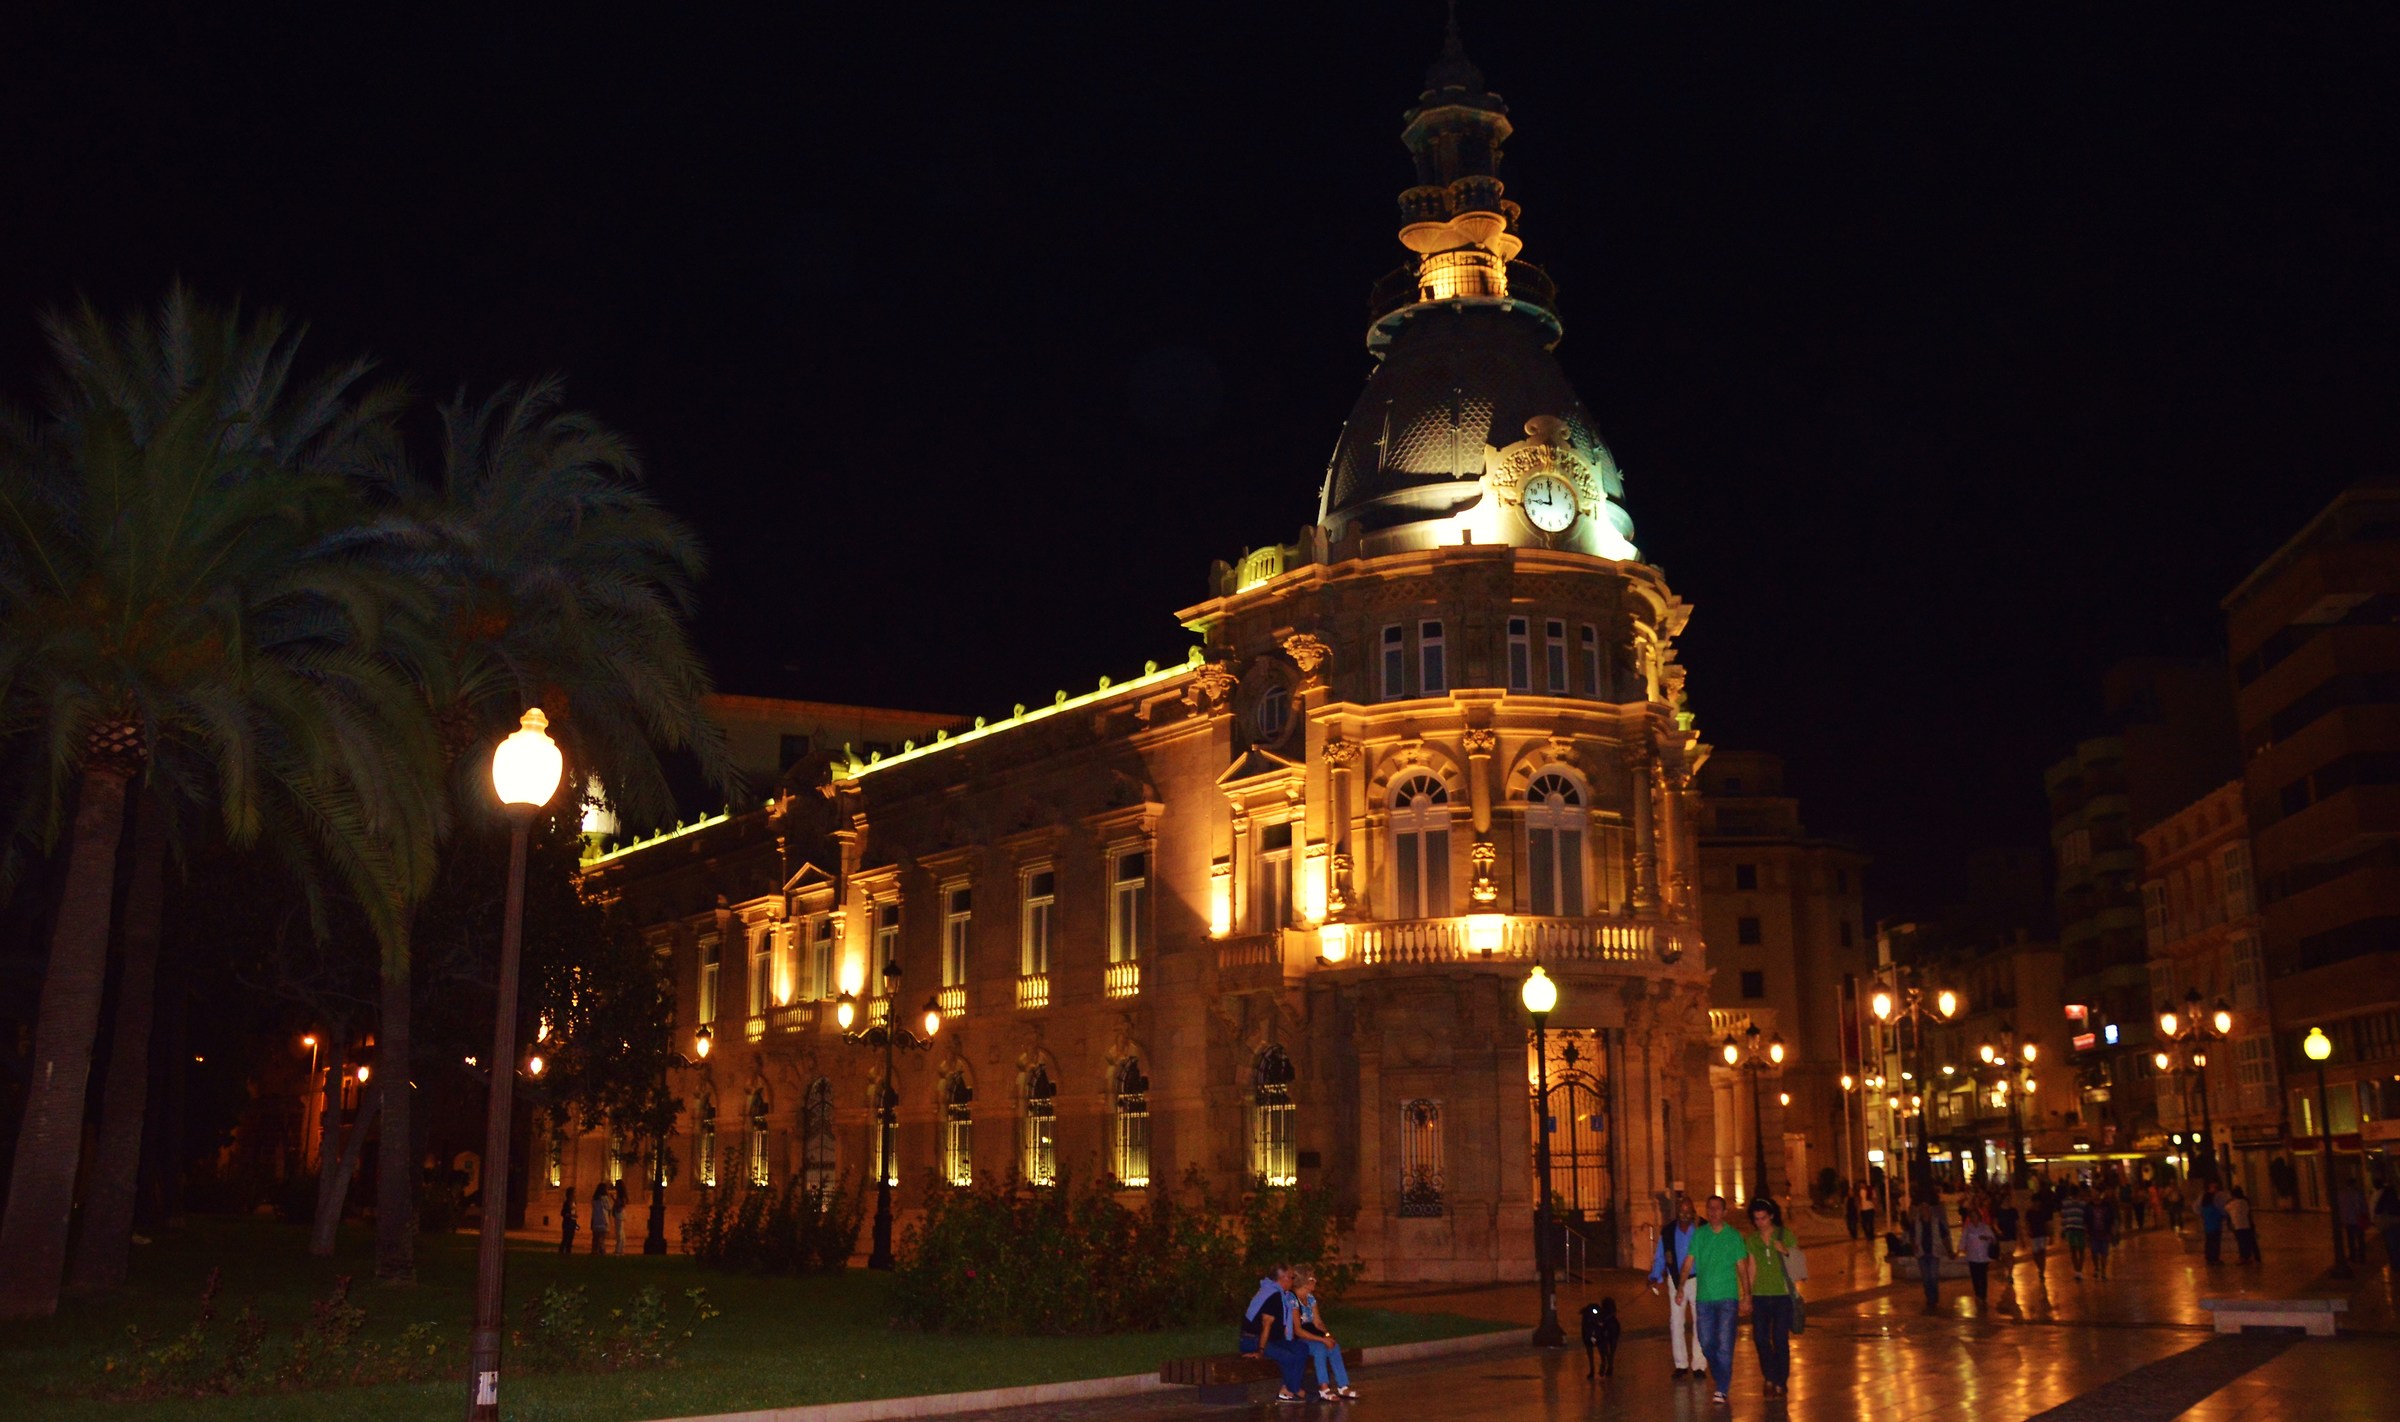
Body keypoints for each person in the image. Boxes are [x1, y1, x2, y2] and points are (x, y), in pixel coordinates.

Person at [1682, 1194, 1750, 1406]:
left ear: (1724, 1212)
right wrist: (1680, 1286)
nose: (1713, 1212)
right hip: (1704, 1298)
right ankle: (1722, 1376)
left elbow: (1742, 1268)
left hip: (1727, 1298)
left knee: (1724, 1344)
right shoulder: (1700, 1235)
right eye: (1709, 1208)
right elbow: (1688, 1261)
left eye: (1717, 1208)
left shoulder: (1734, 1237)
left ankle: (1722, 1387)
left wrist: (1746, 1295)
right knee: (1705, 1341)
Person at [1742, 1198, 1798, 1399]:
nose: (1760, 1222)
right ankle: (1770, 1377)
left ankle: (1781, 1381)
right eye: (1756, 1219)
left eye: (1763, 1218)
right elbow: (1752, 1266)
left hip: (1782, 1296)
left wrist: (1785, 1250)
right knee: (1760, 1339)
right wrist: (1747, 1294)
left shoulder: (1785, 1235)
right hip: (1760, 1296)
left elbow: (1799, 1263)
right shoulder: (1752, 1240)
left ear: (1771, 1216)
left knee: (1781, 1339)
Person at [1646, 1195, 1704, 1377]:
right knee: (1676, 1322)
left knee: (1699, 1322)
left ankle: (1699, 1365)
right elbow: (1661, 1256)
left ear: (1693, 1211)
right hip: (1676, 1279)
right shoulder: (1669, 1230)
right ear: (1677, 1212)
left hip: (1697, 1280)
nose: (1685, 1215)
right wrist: (1655, 1275)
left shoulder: (1702, 1227)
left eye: (1689, 1211)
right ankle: (1681, 1364)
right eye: (1682, 1211)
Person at [1238, 1263, 1311, 1403]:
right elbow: (1266, 1325)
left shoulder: (1281, 1295)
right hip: (1253, 1340)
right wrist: (1260, 1350)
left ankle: (1288, 1389)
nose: (1293, 1280)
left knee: (1301, 1348)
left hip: (1272, 1340)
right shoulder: (1272, 1295)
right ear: (1282, 1278)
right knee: (1288, 1356)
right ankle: (1295, 1390)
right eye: (1291, 1277)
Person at [1292, 1271, 1357, 1401]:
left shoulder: (1310, 1298)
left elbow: (1318, 1322)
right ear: (1304, 1282)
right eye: (1312, 1279)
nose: (1315, 1281)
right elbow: (1297, 1330)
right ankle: (1324, 1388)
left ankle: (1342, 1386)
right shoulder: (1292, 1299)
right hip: (1298, 1338)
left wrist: (1327, 1336)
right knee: (1320, 1349)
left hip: (1313, 1335)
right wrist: (1322, 1340)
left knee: (1333, 1346)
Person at [1907, 1196, 1951, 1313]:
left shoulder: (1936, 1223)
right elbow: (1912, 1236)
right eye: (1922, 1210)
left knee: (1933, 1276)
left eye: (1926, 1209)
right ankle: (1929, 1297)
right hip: (1922, 1253)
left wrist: (1948, 1250)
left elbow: (1944, 1236)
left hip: (1934, 1252)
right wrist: (1914, 1247)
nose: (1924, 1212)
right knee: (1926, 1278)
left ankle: (1934, 1297)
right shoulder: (1917, 1223)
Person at [1960, 1205, 1997, 1308]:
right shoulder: (1968, 1228)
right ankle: (1977, 1295)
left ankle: (1983, 1295)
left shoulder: (1985, 1227)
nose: (1974, 1218)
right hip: (1972, 1257)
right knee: (1975, 1277)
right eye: (1972, 1216)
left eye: (1975, 1216)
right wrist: (1958, 1252)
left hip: (1983, 1256)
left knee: (1983, 1277)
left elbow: (1993, 1240)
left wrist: (1986, 1238)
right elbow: (1963, 1241)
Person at [2087, 1188, 2117, 1280]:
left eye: (2095, 1193)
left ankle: (2103, 1271)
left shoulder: (2106, 1206)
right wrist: (2087, 1232)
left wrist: (2112, 1231)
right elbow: (2086, 1219)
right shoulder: (2089, 1206)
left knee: (2104, 1253)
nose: (2094, 1195)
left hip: (2105, 1232)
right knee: (2094, 1252)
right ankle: (2097, 1268)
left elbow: (2111, 1218)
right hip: (2093, 1233)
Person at [2338, 1179, 2370, 1262]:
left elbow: (2341, 1208)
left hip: (2348, 1220)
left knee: (2350, 1239)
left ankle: (2352, 1256)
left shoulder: (2342, 1194)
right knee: (2360, 1238)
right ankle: (2361, 1256)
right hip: (2357, 1219)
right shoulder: (2357, 1193)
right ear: (2354, 1184)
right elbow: (2360, 1206)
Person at [2372, 1176, 2400, 1271]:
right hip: (2396, 1224)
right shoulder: (2396, 1201)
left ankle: (2395, 1264)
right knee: (2396, 1244)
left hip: (2387, 1225)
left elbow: (2377, 1211)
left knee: (2391, 1246)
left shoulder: (2382, 1201)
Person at [2059, 1187, 2088, 1279]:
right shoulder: (2082, 1203)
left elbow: (2063, 1217)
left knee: (2076, 1250)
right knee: (2077, 1250)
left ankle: (2078, 1270)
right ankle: (2078, 1270)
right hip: (2075, 1228)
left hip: (2075, 1228)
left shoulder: (2081, 1203)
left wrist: (2063, 1229)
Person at [2023, 1191, 2053, 1281]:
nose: (2037, 1203)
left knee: (2042, 1253)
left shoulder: (2043, 1211)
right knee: (2035, 1254)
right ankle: (2040, 1268)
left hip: (2042, 1234)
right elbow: (2027, 1223)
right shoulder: (2029, 1212)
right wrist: (2028, 1231)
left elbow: (2047, 1223)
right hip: (2034, 1235)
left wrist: (2050, 1235)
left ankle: (2042, 1271)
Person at [2227, 1186, 2259, 1263]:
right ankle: (2253, 1257)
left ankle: (2243, 1257)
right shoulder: (2245, 1202)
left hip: (2238, 1226)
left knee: (2241, 1242)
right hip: (2247, 1224)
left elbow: (2225, 1209)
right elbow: (2248, 1214)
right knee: (2249, 1241)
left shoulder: (2232, 1204)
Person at [2197, 1185, 2226, 1265]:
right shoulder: (2213, 1208)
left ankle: (2209, 1258)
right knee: (2215, 1244)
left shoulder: (2204, 1209)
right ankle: (2215, 1259)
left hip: (2208, 1228)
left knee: (2209, 1243)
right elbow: (2219, 1216)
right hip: (2215, 1227)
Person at [588, 1180, 611, 1256]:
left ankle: (595, 1251)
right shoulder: (604, 1198)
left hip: (596, 1219)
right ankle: (602, 1251)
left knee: (595, 1238)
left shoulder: (594, 1199)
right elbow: (608, 1207)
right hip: (603, 1219)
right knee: (601, 1238)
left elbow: (593, 1209)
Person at [1856, 1177, 1879, 1243]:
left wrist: (1875, 1207)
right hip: (1863, 1209)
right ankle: (1867, 1234)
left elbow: (1874, 1199)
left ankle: (1871, 1236)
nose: (1861, 1186)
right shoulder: (1860, 1191)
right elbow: (1860, 1200)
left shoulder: (1871, 1190)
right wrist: (1859, 1209)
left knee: (1871, 1223)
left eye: (1862, 1184)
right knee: (1864, 1223)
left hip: (1870, 1208)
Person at [612, 1177, 629, 1254]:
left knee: (619, 1232)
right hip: (620, 1213)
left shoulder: (621, 1195)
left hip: (619, 1213)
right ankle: (621, 1249)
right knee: (621, 1232)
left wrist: (614, 1200)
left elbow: (621, 1204)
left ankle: (618, 1250)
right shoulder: (622, 1194)